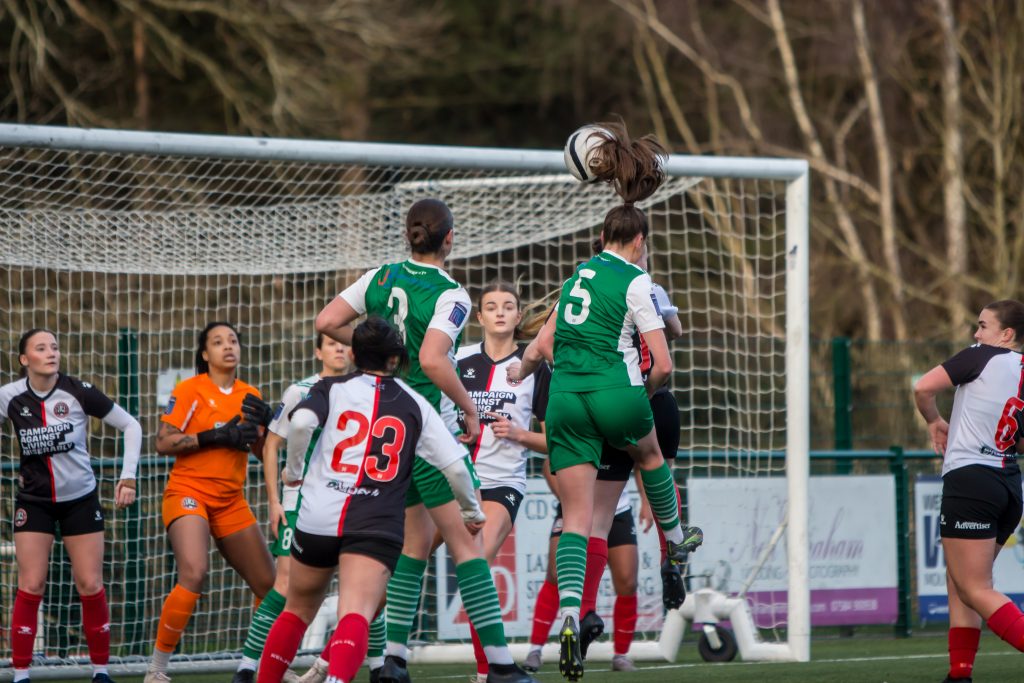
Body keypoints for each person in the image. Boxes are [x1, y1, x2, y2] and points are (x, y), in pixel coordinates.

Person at [508, 122, 701, 681]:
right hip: (618, 394)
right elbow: (664, 362)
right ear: (640, 243)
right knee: (651, 456)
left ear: (599, 238)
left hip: (566, 401)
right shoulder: (638, 281)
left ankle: (571, 614)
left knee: (577, 520)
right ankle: (675, 542)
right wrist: (640, 396)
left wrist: (518, 372)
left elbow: (538, 349)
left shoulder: (575, 278)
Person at [315, 198, 538, 683]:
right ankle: (501, 667)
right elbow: (435, 360)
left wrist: (380, 350)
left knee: (414, 546)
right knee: (468, 545)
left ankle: (392, 660)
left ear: (408, 235)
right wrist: (470, 407)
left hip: (383, 425)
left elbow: (326, 322)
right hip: (425, 428)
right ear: (449, 239)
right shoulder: (450, 294)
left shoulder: (379, 276)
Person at [256, 317, 485, 683]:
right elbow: (456, 468)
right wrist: (471, 511)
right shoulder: (415, 403)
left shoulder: (329, 388)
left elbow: (299, 425)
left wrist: (293, 472)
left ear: (354, 353)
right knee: (356, 613)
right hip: (375, 524)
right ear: (396, 359)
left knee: (296, 611)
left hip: (318, 517)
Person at [575, 235, 696, 658]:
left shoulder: (586, 288)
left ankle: (586, 608)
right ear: (639, 251)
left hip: (608, 401)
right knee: (662, 476)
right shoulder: (649, 287)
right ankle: (671, 559)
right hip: (654, 399)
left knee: (598, 518)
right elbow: (675, 332)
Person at [1, 329, 141, 683]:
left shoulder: (79, 391)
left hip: (81, 500)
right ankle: (20, 674)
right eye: (41, 348)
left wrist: (128, 477)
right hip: (34, 503)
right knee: (31, 583)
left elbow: (131, 426)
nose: (51, 353)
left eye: (55, 347)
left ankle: (101, 672)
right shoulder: (10, 396)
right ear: (24, 359)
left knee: (90, 583)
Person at [144, 322, 277, 683]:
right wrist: (215, 435)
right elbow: (163, 442)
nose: (227, 346)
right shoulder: (190, 389)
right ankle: (156, 669)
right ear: (205, 354)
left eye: (232, 340)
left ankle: (266, 667)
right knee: (194, 572)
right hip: (188, 492)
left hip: (230, 500)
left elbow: (262, 451)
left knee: (269, 586)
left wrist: (268, 426)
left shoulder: (250, 394)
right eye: (218, 342)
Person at [914, 300, 1024, 683]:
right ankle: (959, 674)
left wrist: (934, 421)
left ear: (1006, 334)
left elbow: (923, 387)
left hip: (972, 480)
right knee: (960, 580)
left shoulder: (981, 355)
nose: (976, 334)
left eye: (983, 325)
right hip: (1008, 485)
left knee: (975, 587)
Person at [232, 334, 353, 683]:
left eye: (344, 343)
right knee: (285, 585)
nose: (339, 348)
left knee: (360, 589)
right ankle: (247, 667)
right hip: (299, 502)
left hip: (347, 502)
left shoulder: (361, 391)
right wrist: (274, 500)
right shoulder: (299, 392)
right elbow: (272, 445)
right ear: (318, 351)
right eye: (331, 343)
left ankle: (376, 666)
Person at [456, 281, 551, 682]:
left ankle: (487, 673)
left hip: (501, 483)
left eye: (507, 306)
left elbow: (556, 441)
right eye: (491, 306)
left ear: (517, 315)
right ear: (479, 317)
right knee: (398, 561)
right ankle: (361, 659)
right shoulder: (456, 359)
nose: (499, 312)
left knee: (476, 564)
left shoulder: (535, 368)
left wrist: (519, 434)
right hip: (452, 481)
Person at [523, 467, 639, 674]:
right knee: (556, 574)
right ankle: (535, 650)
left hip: (617, 510)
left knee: (627, 582)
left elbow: (646, 458)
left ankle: (621, 655)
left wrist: (647, 502)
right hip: (575, 508)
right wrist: (570, 498)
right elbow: (549, 463)